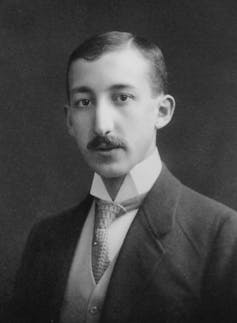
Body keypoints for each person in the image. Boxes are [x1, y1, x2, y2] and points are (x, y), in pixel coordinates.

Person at [10, 31, 237, 323]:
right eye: (84, 102)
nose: (102, 126)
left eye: (122, 97)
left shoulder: (222, 236)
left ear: (163, 111)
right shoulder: (46, 237)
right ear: (69, 120)